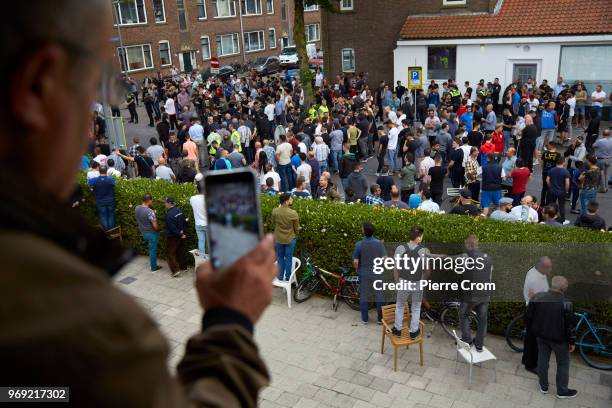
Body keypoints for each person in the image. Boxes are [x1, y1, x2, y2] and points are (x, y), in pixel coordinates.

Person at [525, 276, 578, 399]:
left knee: (542, 360)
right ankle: (562, 391)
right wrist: (572, 341)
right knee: (563, 364)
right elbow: (570, 326)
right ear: (564, 288)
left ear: (551, 285)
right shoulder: (567, 303)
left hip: (541, 336)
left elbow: (528, 316)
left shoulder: (537, 297)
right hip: (560, 341)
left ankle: (543, 386)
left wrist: (533, 331)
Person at [392, 226, 431, 339]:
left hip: (403, 282)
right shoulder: (423, 250)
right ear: (419, 237)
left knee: (399, 306)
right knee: (416, 307)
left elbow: (395, 268)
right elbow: (427, 269)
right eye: (422, 236)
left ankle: (397, 330)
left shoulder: (400, 248)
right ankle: (414, 332)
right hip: (418, 283)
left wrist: (396, 282)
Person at [458, 235, 492, 352]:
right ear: (477, 244)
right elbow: (490, 276)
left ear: (468, 244)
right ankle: (479, 344)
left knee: (464, 315)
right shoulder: (488, 257)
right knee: (483, 319)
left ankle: (467, 339)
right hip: (485, 294)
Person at [522, 257, 552, 373]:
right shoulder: (534, 278)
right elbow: (534, 298)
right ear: (542, 266)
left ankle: (529, 361)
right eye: (549, 267)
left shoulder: (537, 272)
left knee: (532, 338)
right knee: (532, 339)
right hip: (535, 312)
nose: (550, 269)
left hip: (535, 310)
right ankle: (530, 365)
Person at [353, 222, 386, 324]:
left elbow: (355, 261)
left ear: (363, 231)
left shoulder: (359, 244)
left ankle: (365, 319)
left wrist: (357, 270)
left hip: (364, 273)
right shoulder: (379, 244)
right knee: (379, 295)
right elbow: (385, 259)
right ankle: (380, 319)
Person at [271, 193, 299, 281]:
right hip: (290, 238)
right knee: (288, 258)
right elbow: (296, 228)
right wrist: (296, 234)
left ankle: (280, 276)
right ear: (286, 201)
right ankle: (287, 277)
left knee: (279, 257)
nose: (292, 200)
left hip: (278, 238)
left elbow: (273, 222)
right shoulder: (293, 213)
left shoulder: (275, 211)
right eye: (291, 199)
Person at [135, 194, 161, 272]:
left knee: (151, 249)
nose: (152, 201)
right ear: (149, 200)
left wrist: (153, 213)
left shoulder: (137, 208)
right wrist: (159, 229)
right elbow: (155, 226)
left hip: (143, 232)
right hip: (151, 233)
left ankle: (153, 266)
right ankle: (153, 267)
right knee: (153, 250)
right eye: (151, 200)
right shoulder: (150, 212)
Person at [164, 197, 187, 278]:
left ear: (169, 203)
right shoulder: (179, 210)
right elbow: (184, 221)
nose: (164, 204)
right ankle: (183, 267)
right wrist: (182, 232)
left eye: (165, 202)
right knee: (180, 251)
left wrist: (180, 234)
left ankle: (175, 271)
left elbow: (172, 228)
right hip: (180, 234)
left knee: (169, 253)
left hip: (173, 237)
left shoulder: (169, 214)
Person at [87, 165, 116, 231]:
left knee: (103, 217)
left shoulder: (94, 180)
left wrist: (92, 189)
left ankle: (106, 233)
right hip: (110, 200)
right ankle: (111, 232)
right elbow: (114, 185)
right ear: (106, 171)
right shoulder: (111, 179)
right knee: (111, 216)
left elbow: (88, 184)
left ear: (99, 171)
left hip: (99, 201)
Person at [546, 157, 570, 223]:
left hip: (552, 190)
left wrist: (550, 187)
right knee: (561, 206)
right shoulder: (565, 171)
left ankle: (550, 218)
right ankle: (562, 220)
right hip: (561, 192)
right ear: (563, 162)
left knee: (551, 205)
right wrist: (567, 191)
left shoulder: (551, 170)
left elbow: (547, 180)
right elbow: (567, 183)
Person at [189, 178, 208, 256]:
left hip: (198, 224)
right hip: (207, 224)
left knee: (201, 241)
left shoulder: (192, 198)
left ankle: (202, 259)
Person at [592, 128, 612, 193]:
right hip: (609, 159)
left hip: (601, 159)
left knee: (601, 173)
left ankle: (602, 188)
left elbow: (593, 146)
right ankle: (606, 187)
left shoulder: (600, 141)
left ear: (603, 134)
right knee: (606, 173)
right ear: (610, 134)